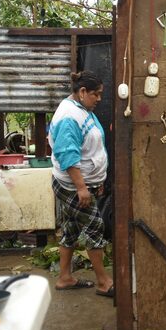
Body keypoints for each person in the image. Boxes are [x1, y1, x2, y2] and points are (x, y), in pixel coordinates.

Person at [49, 70, 113, 297]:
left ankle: (65, 278)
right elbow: (67, 154)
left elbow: (89, 148)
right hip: (72, 185)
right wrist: (82, 188)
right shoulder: (69, 116)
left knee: (71, 228)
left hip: (82, 184)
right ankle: (104, 282)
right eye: (96, 94)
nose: (99, 99)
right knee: (95, 227)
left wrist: (96, 181)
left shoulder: (81, 109)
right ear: (82, 91)